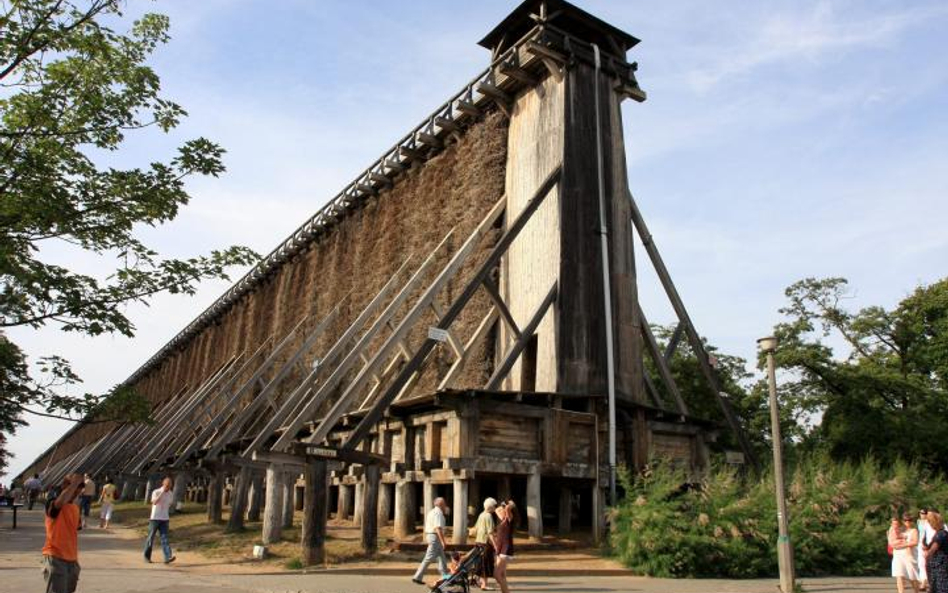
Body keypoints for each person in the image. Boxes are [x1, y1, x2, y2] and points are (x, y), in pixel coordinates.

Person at [42, 472, 84, 593]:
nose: (74, 494)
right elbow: (59, 504)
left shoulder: (75, 508)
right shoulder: (52, 502)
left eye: (77, 491)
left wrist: (75, 562)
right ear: (64, 488)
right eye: (72, 490)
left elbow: (74, 530)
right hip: (55, 557)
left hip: (72, 560)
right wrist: (74, 483)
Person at [412, 496, 450, 585]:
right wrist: (443, 541)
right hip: (435, 536)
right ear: (441, 504)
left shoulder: (432, 512)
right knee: (429, 558)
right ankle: (417, 576)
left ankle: (445, 576)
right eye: (444, 503)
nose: (445, 505)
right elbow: (437, 528)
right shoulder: (438, 513)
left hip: (431, 536)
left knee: (441, 558)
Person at [143, 476, 176, 564]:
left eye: (170, 485)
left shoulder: (170, 493)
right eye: (167, 485)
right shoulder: (156, 492)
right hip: (155, 518)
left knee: (165, 538)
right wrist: (162, 493)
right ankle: (147, 556)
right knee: (150, 538)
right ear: (163, 484)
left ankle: (168, 557)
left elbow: (169, 504)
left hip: (165, 519)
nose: (168, 487)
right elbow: (154, 502)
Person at [891, 514, 921, 593]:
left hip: (908, 555)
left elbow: (915, 542)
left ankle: (916, 591)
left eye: (909, 520)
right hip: (898, 554)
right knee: (899, 574)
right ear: (902, 521)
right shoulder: (899, 529)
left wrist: (904, 544)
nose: (907, 522)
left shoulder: (914, 530)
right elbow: (892, 540)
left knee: (912, 576)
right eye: (905, 520)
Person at [474, 497, 498, 590]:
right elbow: (490, 533)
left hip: (478, 541)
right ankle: (484, 584)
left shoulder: (481, 515)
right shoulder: (488, 516)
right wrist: (495, 545)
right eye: (494, 506)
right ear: (490, 507)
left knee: (480, 562)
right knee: (486, 563)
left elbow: (476, 528)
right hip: (485, 543)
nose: (495, 508)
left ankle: (481, 582)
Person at [492, 502, 515, 593]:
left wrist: (508, 504)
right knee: (502, 574)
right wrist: (502, 505)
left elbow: (509, 508)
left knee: (497, 574)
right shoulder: (503, 519)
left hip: (505, 549)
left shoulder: (509, 519)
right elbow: (496, 510)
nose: (501, 511)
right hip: (500, 548)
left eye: (503, 510)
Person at [924, 511, 948, 593]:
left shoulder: (941, 534)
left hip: (939, 566)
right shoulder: (940, 533)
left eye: (930, 522)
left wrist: (928, 553)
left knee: (940, 587)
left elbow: (935, 547)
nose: (930, 525)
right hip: (936, 566)